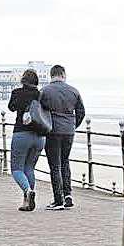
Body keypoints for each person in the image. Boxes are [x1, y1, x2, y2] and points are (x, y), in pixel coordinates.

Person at [39, 64, 87, 210]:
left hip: (52, 131)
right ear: (63, 75)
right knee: (65, 162)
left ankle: (58, 200)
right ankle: (68, 195)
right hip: (68, 132)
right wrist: (73, 125)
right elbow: (81, 112)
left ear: (51, 75)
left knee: (55, 165)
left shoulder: (45, 91)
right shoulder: (74, 91)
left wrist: (43, 127)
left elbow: (38, 111)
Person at [6, 68, 45, 212]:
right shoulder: (40, 95)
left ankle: (28, 192)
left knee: (17, 169)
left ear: (23, 80)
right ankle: (27, 202)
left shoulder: (17, 92)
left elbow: (11, 107)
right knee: (29, 168)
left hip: (22, 134)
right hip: (40, 136)